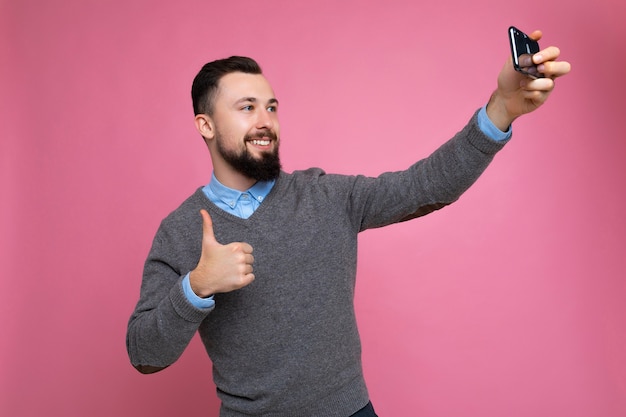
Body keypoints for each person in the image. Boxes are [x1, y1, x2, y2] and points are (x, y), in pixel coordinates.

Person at [126, 30, 571, 417]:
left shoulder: (326, 196)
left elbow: (425, 186)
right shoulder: (182, 229)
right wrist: (197, 287)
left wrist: (501, 110)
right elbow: (144, 354)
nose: (265, 122)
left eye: (272, 107)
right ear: (205, 125)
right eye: (247, 107)